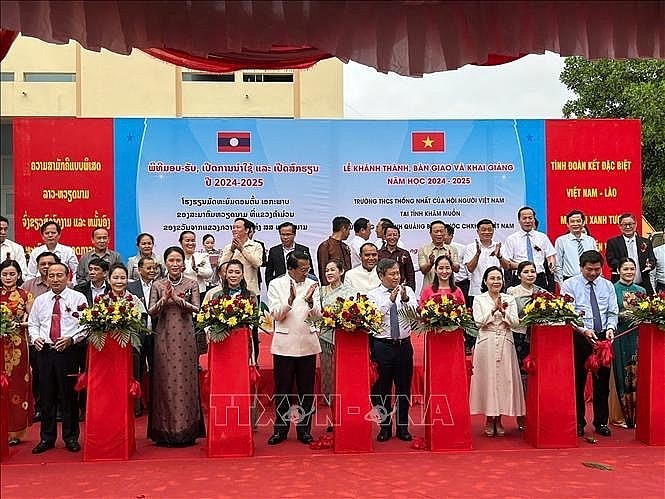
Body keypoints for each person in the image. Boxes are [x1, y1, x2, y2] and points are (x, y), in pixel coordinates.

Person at [28, 262, 88, 454]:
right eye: (51, 275)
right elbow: (33, 323)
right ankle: (47, 438)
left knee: (68, 396)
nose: (55, 279)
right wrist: (36, 337)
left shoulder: (78, 297)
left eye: (59, 275)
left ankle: (71, 438)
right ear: (46, 278)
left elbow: (85, 325)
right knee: (46, 396)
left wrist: (72, 339)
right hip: (45, 351)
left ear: (67, 276)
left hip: (68, 351)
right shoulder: (41, 300)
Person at [147, 246, 204, 446]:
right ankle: (165, 430)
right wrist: (164, 299)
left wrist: (178, 300)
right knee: (166, 381)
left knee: (184, 381)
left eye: (178, 260)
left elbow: (197, 309)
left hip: (186, 339)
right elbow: (151, 312)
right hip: (163, 338)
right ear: (165, 263)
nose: (175, 264)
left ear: (184, 263)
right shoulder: (158, 284)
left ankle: (187, 431)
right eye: (171, 260)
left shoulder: (192, 283)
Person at [561, 250, 619, 438]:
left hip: (603, 338)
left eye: (597, 269)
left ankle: (601, 421)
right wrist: (583, 330)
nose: (593, 273)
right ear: (581, 267)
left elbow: (612, 311)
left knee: (602, 382)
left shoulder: (608, 285)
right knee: (578, 380)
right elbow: (568, 313)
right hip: (581, 337)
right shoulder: (569, 285)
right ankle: (578, 422)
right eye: (589, 270)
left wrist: (611, 328)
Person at [267, 251, 321, 445]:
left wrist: (311, 301)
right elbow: (276, 315)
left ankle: (304, 430)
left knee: (306, 391)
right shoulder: (276, 284)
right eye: (302, 269)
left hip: (307, 343)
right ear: (291, 268)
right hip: (284, 345)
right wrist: (289, 301)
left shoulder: (312, 284)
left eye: (308, 268)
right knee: (283, 390)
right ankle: (280, 430)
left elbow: (318, 316)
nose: (306, 272)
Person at [470, 266, 524, 437]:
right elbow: (478, 322)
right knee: (488, 380)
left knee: (503, 380)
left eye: (498, 278)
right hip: (486, 342)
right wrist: (493, 310)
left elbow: (515, 323)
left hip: (505, 341)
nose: (496, 282)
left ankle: (499, 418)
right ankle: (489, 418)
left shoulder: (509, 298)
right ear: (485, 281)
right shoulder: (479, 299)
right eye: (492, 278)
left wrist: (504, 311)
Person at [368, 258, 416, 442]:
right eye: (392, 273)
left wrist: (404, 300)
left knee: (404, 389)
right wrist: (390, 301)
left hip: (404, 345)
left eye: (398, 273)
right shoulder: (373, 294)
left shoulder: (408, 291)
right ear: (381, 275)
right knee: (382, 389)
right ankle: (385, 427)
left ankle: (403, 427)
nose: (397, 277)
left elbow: (416, 314)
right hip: (382, 346)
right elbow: (374, 317)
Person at [21, 251, 59, 422]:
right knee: (39, 375)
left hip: (61, 342)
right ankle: (40, 408)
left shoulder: (68, 286)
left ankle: (59, 408)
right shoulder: (28, 286)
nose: (46, 267)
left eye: (49, 263)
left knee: (60, 378)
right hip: (37, 341)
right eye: (42, 264)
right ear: (37, 266)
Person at [506, 260, 544, 431]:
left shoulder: (542, 292)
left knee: (536, 375)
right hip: (519, 337)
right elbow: (512, 316)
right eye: (526, 272)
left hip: (537, 339)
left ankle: (537, 413)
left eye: (533, 271)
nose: (530, 275)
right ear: (519, 274)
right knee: (521, 376)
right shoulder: (512, 292)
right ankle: (522, 415)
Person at [1, 260, 33, 446]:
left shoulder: (25, 296)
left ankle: (15, 432)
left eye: (12, 274)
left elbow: (33, 320)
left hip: (18, 346)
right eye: (4, 274)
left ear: (19, 275)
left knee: (16, 387)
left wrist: (20, 324)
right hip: (0, 344)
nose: (8, 277)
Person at [612, 257, 645, 428]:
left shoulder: (641, 289)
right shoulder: (612, 289)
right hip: (620, 336)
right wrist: (621, 315)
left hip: (638, 336)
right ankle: (622, 416)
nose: (629, 272)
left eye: (632, 269)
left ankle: (638, 415)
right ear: (618, 271)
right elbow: (609, 312)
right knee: (621, 372)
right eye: (625, 269)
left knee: (638, 373)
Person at [318, 260, 354, 407]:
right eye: (327, 270)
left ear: (342, 271)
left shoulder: (350, 291)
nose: (329, 273)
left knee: (343, 374)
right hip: (325, 338)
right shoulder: (320, 291)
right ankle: (330, 406)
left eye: (333, 270)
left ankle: (345, 404)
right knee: (328, 374)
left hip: (344, 338)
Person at [127, 256, 158, 417]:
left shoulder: (160, 285)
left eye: (154, 268)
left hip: (156, 334)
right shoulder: (130, 288)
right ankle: (136, 406)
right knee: (136, 370)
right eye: (148, 268)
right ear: (139, 270)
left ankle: (155, 405)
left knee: (156, 370)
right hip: (137, 336)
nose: (152, 271)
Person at [501, 206, 556, 289]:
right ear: (519, 221)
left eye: (530, 218)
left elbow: (550, 255)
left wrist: (551, 263)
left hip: (539, 277)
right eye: (524, 218)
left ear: (534, 219)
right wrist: (524, 267)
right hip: (520, 278)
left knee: (542, 301)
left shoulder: (542, 237)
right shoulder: (511, 239)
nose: (527, 221)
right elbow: (507, 263)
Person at [605, 213, 657, 295]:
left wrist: (650, 265)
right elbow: (610, 261)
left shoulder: (645, 242)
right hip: (621, 285)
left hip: (643, 284)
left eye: (630, 224)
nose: (628, 227)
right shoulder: (613, 242)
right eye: (624, 224)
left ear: (635, 224)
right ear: (620, 226)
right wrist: (626, 266)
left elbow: (652, 260)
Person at [463, 219, 501, 307]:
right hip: (476, 292)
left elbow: (507, 267)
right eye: (483, 230)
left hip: (497, 291)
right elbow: (470, 269)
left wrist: (499, 256)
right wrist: (477, 254)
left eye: (490, 230)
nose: (487, 232)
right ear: (478, 231)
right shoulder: (470, 248)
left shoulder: (499, 246)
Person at [265, 222, 314, 287]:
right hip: (280, 287)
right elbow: (269, 273)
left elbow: (310, 271)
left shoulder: (303, 250)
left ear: (294, 234)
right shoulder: (274, 251)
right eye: (282, 234)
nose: (285, 237)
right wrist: (271, 287)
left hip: (301, 286)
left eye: (288, 234)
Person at [554, 210, 597, 284]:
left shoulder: (590, 240)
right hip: (569, 280)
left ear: (583, 223)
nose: (575, 224)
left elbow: (596, 261)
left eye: (578, 221)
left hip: (589, 279)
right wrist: (561, 283)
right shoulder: (561, 241)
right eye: (572, 221)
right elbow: (558, 265)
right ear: (568, 224)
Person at [418, 220, 459, 289]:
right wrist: (430, 263)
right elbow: (423, 270)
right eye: (436, 232)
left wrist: (450, 261)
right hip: (429, 289)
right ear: (430, 233)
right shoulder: (423, 249)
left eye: (441, 231)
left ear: (445, 232)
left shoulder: (452, 249)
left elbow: (457, 269)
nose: (439, 234)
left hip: (448, 289)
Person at [378, 224, 416, 291]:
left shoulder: (405, 253)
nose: (392, 237)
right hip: (383, 290)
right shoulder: (379, 253)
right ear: (385, 236)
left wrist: (410, 291)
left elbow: (410, 275)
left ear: (399, 236)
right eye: (389, 235)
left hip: (400, 289)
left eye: (395, 235)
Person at [178, 230, 213, 297]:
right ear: (181, 242)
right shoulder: (177, 256)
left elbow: (209, 274)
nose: (191, 243)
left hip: (199, 292)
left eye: (193, 240)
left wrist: (196, 269)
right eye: (187, 240)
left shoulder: (202, 256)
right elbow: (167, 274)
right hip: (180, 292)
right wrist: (179, 271)